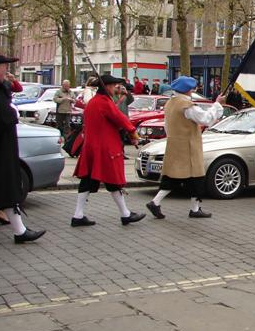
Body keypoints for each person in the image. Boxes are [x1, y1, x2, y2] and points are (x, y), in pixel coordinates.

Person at [0, 53, 45, 243]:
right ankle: (19, 231)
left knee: (0, 187)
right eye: (4, 66)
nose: (6, 70)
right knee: (5, 186)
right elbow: (1, 116)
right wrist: (13, 113)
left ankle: (20, 230)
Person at [71, 74, 144, 227]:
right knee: (112, 181)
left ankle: (78, 215)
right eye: (114, 86)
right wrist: (133, 133)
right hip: (105, 147)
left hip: (92, 146)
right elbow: (120, 118)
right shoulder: (104, 102)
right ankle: (125, 214)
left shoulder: (94, 102)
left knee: (88, 182)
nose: (115, 88)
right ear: (108, 86)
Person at [146, 76, 223, 220]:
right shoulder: (187, 105)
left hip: (174, 144)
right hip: (189, 146)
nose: (193, 91)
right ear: (188, 90)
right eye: (192, 89)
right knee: (196, 177)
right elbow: (205, 119)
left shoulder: (170, 103)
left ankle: (155, 202)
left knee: (172, 177)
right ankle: (194, 209)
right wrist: (217, 104)